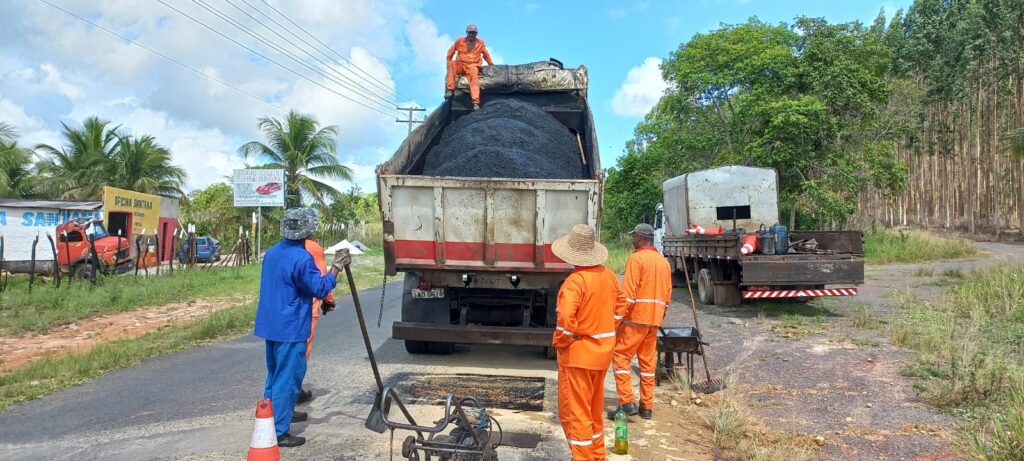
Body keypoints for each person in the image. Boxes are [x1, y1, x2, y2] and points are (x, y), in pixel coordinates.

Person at [255, 208, 349, 448]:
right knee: (288, 376)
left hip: (271, 322)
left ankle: (274, 415)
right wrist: (336, 268)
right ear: (307, 230)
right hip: (290, 325)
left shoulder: (273, 252)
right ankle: (279, 431)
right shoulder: (301, 257)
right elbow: (318, 288)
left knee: (274, 373)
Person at [551, 224, 626, 461]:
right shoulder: (609, 275)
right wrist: (605, 329)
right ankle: (596, 456)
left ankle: (582, 457)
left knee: (576, 413)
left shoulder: (575, 282)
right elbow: (621, 306)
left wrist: (562, 342)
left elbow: (564, 320)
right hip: (602, 355)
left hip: (579, 357)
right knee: (594, 410)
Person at [610, 223, 672, 420]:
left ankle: (627, 402)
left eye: (633, 237)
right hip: (653, 320)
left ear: (638, 237)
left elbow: (628, 294)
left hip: (635, 319)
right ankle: (647, 407)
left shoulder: (636, 259)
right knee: (647, 365)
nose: (632, 240)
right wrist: (659, 316)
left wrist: (616, 320)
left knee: (620, 358)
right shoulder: (663, 262)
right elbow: (668, 295)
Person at [295, 238, 337, 405]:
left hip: (287, 310)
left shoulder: (279, 249)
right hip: (308, 308)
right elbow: (320, 279)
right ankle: (294, 390)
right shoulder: (313, 248)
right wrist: (328, 299)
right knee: (301, 352)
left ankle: (288, 390)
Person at [445, 23, 493, 110]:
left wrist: (491, 65)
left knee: (474, 75)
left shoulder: (480, 43)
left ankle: (475, 102)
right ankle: (450, 90)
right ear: (466, 33)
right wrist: (448, 65)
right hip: (460, 64)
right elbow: (450, 52)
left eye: (473, 33)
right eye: (470, 32)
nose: (471, 34)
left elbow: (486, 55)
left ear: (476, 34)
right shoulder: (459, 41)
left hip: (472, 66)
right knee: (451, 63)